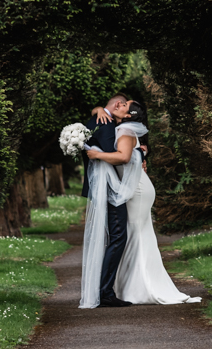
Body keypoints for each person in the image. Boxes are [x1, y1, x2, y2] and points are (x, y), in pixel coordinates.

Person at [86, 101, 201, 305]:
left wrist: (97, 155)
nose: (119, 103)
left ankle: (142, 287)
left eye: (125, 104)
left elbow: (123, 156)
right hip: (136, 187)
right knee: (134, 235)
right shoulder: (124, 127)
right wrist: (97, 111)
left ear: (129, 115)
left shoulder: (126, 129)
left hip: (137, 189)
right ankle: (129, 286)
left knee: (135, 234)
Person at [79, 94, 133, 308]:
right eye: (125, 109)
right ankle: (105, 292)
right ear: (118, 105)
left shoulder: (93, 120)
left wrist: (98, 108)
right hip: (110, 188)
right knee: (118, 236)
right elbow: (115, 153)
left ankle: (103, 289)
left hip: (99, 186)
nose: (127, 114)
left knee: (113, 235)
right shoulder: (107, 123)